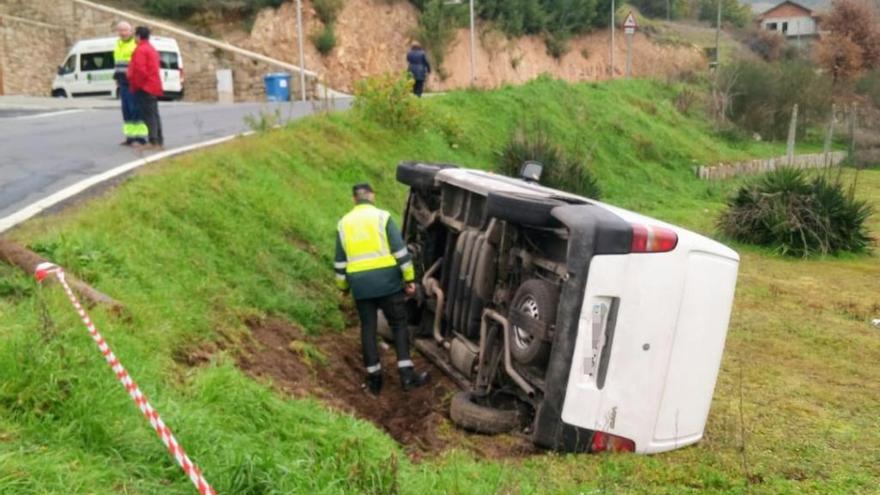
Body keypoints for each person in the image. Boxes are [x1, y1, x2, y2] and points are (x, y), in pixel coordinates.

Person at [334, 183, 429, 395]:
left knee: (368, 328)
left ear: (354, 200)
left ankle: (374, 381)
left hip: (361, 287)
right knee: (398, 325)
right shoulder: (382, 218)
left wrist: (344, 288)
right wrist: (409, 279)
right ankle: (407, 377)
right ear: (372, 196)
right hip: (388, 284)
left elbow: (340, 263)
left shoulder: (344, 224)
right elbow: (401, 252)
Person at [127, 26, 164, 150]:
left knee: (148, 115)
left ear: (138, 36)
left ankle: (153, 141)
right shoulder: (151, 49)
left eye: (135, 36)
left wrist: (136, 85)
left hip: (145, 87)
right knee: (154, 114)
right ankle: (159, 140)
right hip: (153, 85)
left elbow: (140, 70)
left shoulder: (140, 50)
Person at [113, 22, 147, 146]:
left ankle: (141, 138)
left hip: (133, 81)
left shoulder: (135, 44)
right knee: (126, 110)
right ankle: (130, 137)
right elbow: (117, 62)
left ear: (130, 31)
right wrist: (116, 76)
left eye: (125, 30)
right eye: (120, 30)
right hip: (122, 82)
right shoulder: (118, 44)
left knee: (135, 109)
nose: (122, 33)